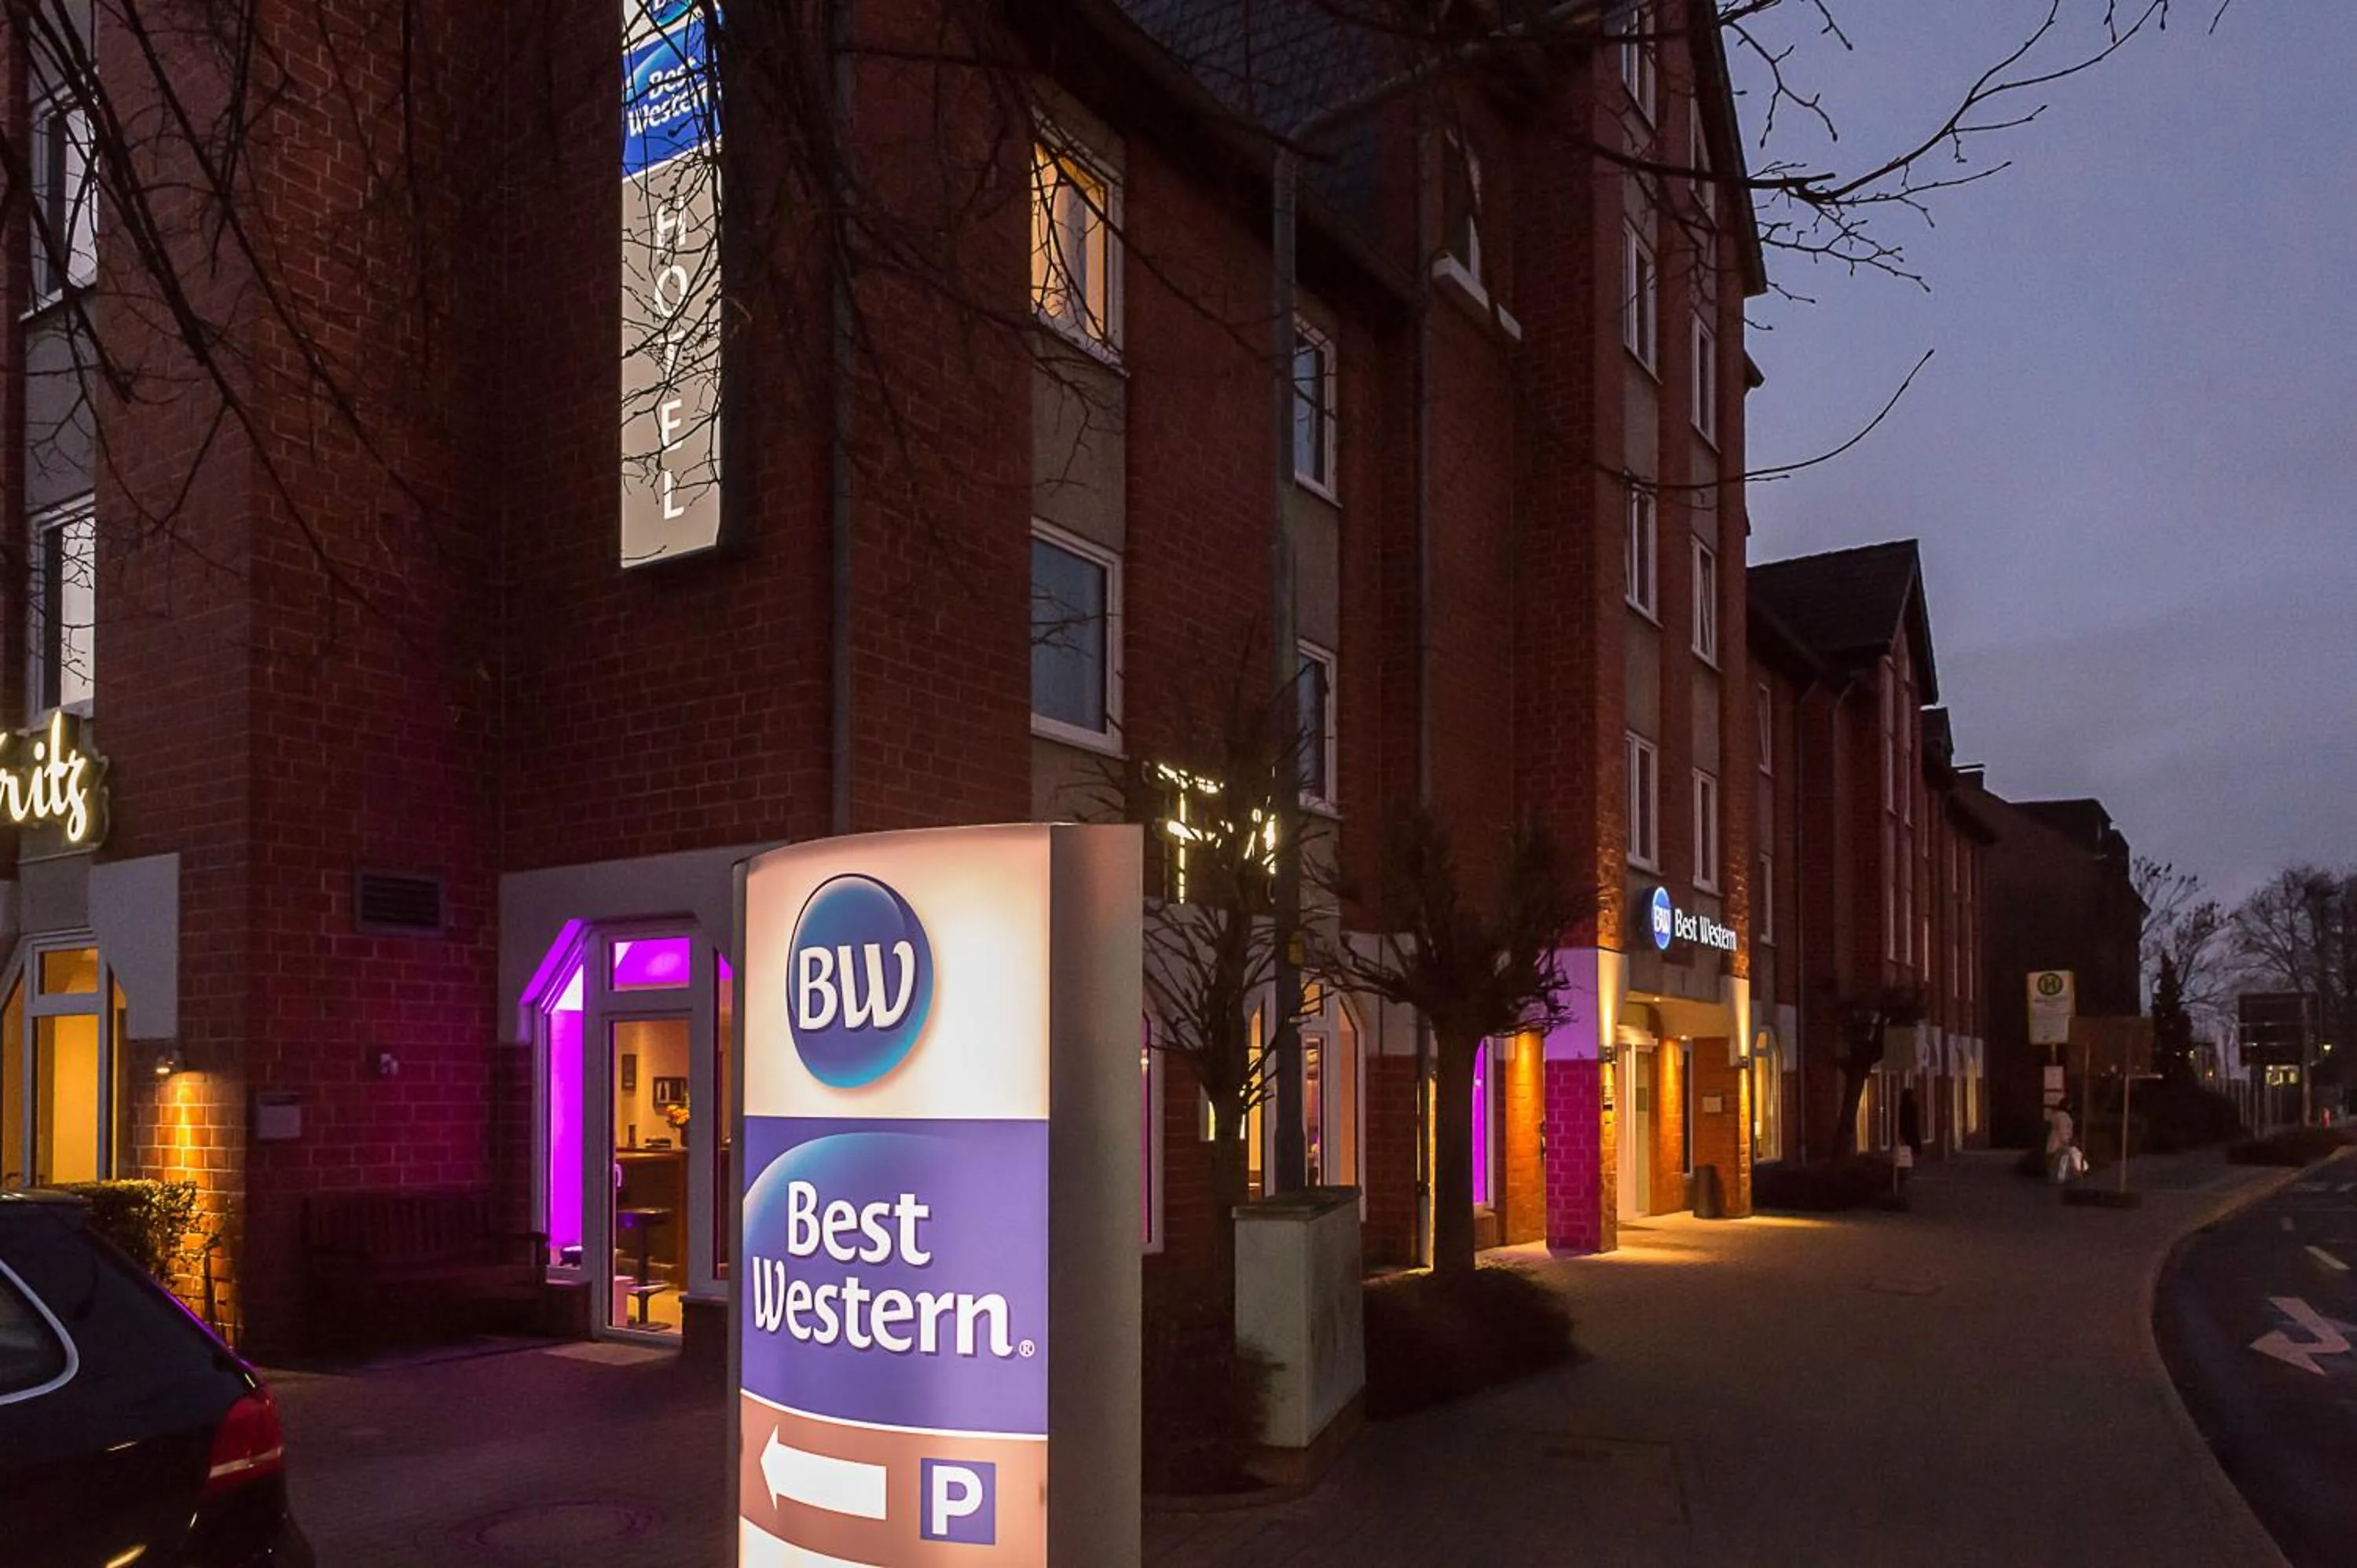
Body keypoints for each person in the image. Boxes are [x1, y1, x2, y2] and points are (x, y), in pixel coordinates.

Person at [2045, 1101, 2078, 1184]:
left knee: (2053, 1162)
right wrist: (2067, 1140)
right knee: (2062, 1160)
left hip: (2053, 1142)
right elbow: (2063, 1130)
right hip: (2060, 1143)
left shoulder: (2057, 1116)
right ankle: (2060, 1179)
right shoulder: (2064, 1117)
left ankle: (2054, 1178)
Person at [1897, 1088, 1923, 1188]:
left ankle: (1906, 1173)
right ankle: (1907, 1173)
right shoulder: (1912, 1107)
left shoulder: (1903, 1107)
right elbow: (1913, 1121)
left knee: (1907, 1153)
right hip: (1911, 1133)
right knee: (1908, 1153)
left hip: (1907, 1133)